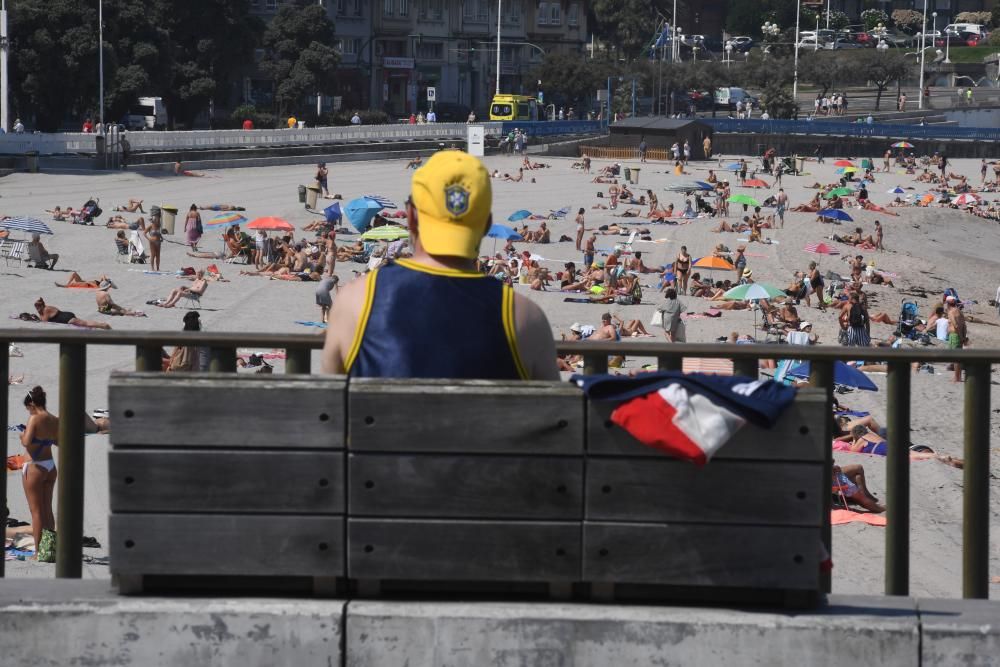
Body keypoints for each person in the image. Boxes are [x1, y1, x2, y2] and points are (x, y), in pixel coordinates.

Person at [320, 150, 558, 380]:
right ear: (486, 225)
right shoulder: (525, 318)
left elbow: (328, 408)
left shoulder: (355, 300)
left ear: (411, 217)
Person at [19, 386, 59, 555]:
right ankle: (50, 549)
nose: (28, 411)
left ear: (32, 404)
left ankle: (38, 551)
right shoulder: (54, 419)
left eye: (28, 407)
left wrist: (22, 435)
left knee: (36, 512)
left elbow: (26, 443)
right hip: (50, 466)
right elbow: (59, 442)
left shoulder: (34, 418)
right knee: (47, 509)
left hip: (35, 466)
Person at [33, 298, 111, 329]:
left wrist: (37, 318)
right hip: (65, 315)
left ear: (41, 305)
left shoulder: (46, 309)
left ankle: (103, 325)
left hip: (67, 319)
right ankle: (101, 325)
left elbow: (44, 321)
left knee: (85, 323)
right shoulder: (43, 310)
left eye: (37, 306)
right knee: (84, 323)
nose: (36, 308)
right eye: (35, 306)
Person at [947, 297, 968, 382]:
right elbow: (964, 326)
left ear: (948, 304)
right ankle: (958, 377)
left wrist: (961, 336)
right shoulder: (960, 312)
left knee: (955, 358)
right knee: (957, 358)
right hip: (959, 335)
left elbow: (955, 325)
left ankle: (956, 378)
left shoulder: (951, 312)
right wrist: (963, 336)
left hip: (954, 336)